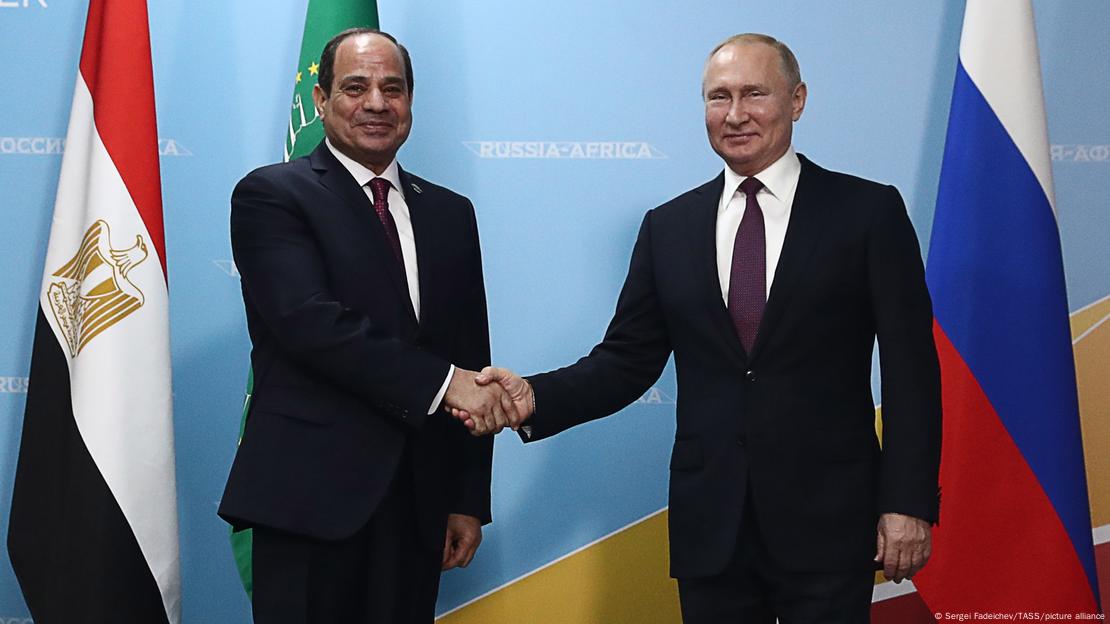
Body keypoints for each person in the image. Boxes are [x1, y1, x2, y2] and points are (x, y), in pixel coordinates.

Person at [456, 33, 942, 623]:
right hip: (712, 531)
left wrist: (907, 503)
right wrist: (535, 398)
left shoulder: (868, 213)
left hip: (830, 526)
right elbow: (625, 360)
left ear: (797, 100)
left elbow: (912, 371)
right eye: (718, 98)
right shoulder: (669, 227)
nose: (735, 114)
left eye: (754, 94)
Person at [218, 28, 517, 623]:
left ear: (410, 102)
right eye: (355, 87)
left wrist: (465, 500)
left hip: (417, 504)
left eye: (393, 88)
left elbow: (469, 352)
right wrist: (444, 382)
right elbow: (310, 323)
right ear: (322, 101)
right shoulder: (272, 195)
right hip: (308, 501)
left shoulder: (450, 212)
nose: (377, 103)